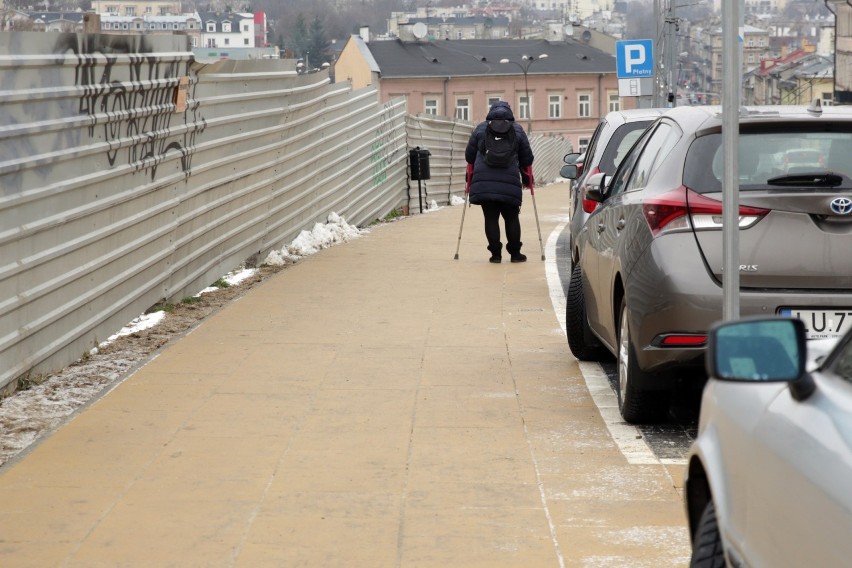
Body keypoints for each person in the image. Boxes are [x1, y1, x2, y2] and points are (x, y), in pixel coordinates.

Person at [464, 101, 535, 263]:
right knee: (511, 217)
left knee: (490, 218)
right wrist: (527, 179)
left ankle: (496, 255)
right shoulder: (517, 129)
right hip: (509, 182)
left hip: (484, 183)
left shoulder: (481, 128)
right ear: (510, 113)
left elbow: (469, 156)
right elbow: (527, 158)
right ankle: (515, 254)